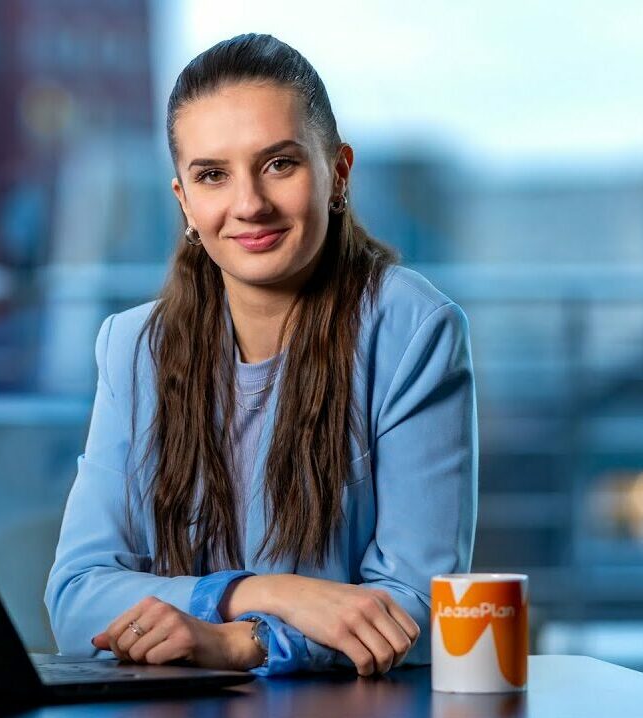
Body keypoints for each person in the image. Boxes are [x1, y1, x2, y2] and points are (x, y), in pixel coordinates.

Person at [45, 33, 477, 677]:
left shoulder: (413, 330)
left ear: (338, 172)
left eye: (279, 163)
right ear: (185, 203)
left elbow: (409, 606)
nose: (248, 204)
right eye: (212, 175)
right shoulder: (133, 347)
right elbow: (77, 596)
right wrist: (266, 592)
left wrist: (241, 642)